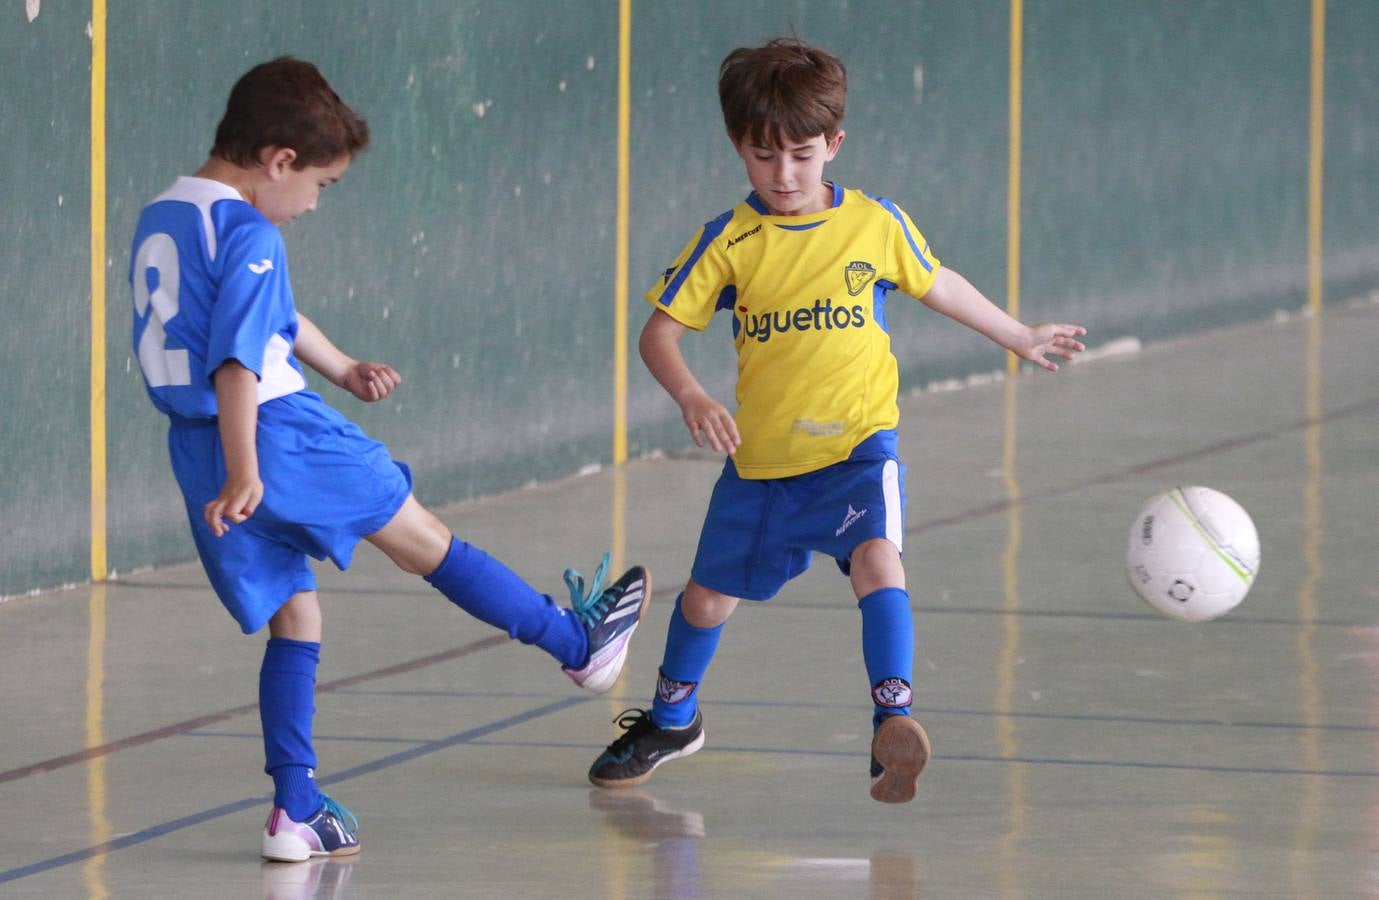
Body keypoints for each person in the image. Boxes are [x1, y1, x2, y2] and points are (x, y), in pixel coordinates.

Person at [129, 57, 651, 861]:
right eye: (320, 185)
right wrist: (250, 467)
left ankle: (295, 809)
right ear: (278, 161)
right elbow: (236, 358)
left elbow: (261, 313)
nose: (312, 203)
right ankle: (577, 647)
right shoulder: (251, 227)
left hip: (196, 448)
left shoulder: (167, 213)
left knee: (295, 618)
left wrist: (339, 367)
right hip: (272, 434)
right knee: (424, 540)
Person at [587, 38, 1085, 803]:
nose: (783, 175)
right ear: (736, 149)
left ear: (834, 145)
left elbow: (936, 281)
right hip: (762, 466)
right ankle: (670, 719)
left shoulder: (873, 224)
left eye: (801, 155)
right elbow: (659, 333)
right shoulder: (729, 241)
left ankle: (894, 724)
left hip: (856, 450)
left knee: (877, 561)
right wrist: (691, 395)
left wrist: (1015, 334)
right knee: (704, 601)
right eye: (762, 157)